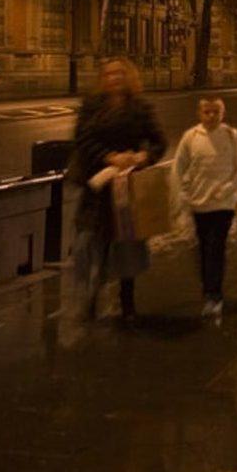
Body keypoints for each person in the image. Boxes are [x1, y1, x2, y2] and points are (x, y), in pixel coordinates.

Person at [71, 58, 166, 323]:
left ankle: (127, 301)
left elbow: (159, 141)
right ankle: (91, 297)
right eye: (110, 74)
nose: (114, 78)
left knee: (127, 243)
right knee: (91, 242)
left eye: (120, 74)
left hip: (127, 187)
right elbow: (82, 140)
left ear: (129, 78)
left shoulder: (140, 107)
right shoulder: (92, 106)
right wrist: (108, 157)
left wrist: (142, 157)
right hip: (98, 186)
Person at [174, 97, 237, 318]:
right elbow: (179, 167)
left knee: (215, 248)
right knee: (203, 249)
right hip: (199, 204)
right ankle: (208, 288)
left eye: (215, 112)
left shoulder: (231, 136)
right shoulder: (191, 138)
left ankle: (214, 295)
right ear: (200, 113)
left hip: (223, 205)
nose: (211, 116)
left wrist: (230, 189)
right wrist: (183, 194)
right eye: (207, 112)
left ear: (222, 113)